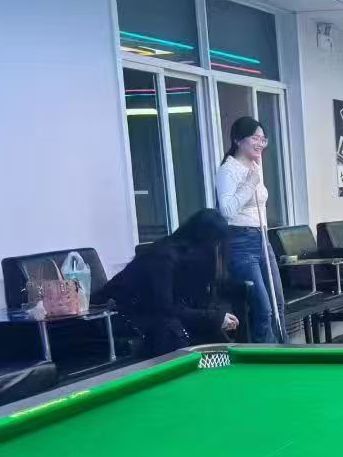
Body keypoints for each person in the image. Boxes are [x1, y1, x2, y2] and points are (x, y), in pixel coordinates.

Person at [97, 209, 239, 356]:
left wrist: (216, 318)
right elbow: (165, 308)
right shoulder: (163, 257)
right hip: (116, 314)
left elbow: (181, 305)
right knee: (171, 327)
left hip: (143, 310)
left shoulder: (185, 259)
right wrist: (213, 318)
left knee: (200, 324)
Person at [216, 116, 285, 343]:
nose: (260, 143)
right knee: (263, 308)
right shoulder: (228, 170)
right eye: (255, 138)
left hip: (262, 238)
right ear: (238, 140)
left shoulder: (255, 166)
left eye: (263, 139)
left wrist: (254, 178)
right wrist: (249, 183)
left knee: (278, 303)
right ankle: (265, 358)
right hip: (241, 242)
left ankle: (284, 353)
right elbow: (227, 210)